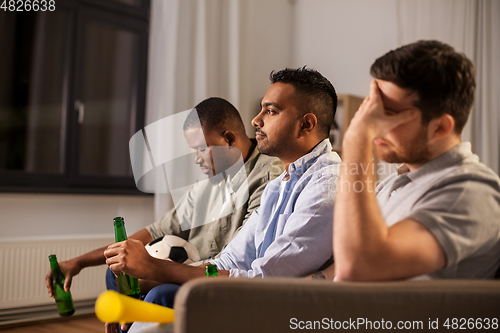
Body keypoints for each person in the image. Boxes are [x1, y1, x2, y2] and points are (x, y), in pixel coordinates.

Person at [102, 67, 340, 318]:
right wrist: (153, 272)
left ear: (306, 124)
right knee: (155, 291)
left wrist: (154, 268)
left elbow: (266, 279)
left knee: (164, 296)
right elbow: (229, 261)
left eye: (270, 111)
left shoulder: (325, 187)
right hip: (254, 290)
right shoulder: (280, 184)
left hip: (281, 305)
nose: (255, 120)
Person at [46, 97, 283, 297]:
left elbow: (238, 258)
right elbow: (157, 230)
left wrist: (155, 271)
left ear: (228, 140)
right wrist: (80, 262)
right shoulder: (210, 181)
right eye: (193, 150)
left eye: (201, 148)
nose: (196, 159)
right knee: (116, 270)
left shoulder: (267, 177)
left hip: (221, 278)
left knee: (158, 293)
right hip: (188, 271)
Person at [329, 40, 500, 282]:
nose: (372, 125)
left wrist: (357, 140)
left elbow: (359, 268)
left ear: (440, 127)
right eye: (371, 108)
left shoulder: (472, 192)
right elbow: (344, 260)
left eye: (386, 113)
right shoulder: (390, 184)